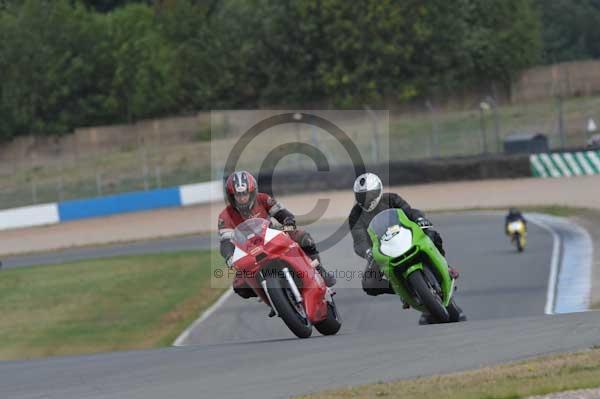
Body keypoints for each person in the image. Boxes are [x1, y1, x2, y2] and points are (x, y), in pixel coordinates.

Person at [348, 172, 460, 324]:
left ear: (378, 190)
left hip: (406, 237)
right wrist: (368, 252)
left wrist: (420, 220)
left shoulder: (392, 199)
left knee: (433, 234)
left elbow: (409, 212)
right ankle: (402, 288)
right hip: (381, 251)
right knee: (369, 284)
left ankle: (445, 266)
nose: (366, 200)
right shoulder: (355, 215)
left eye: (369, 195)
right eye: (362, 196)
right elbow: (359, 240)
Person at [218, 171, 336, 303]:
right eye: (237, 195)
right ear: (231, 196)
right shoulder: (225, 216)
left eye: (244, 193)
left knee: (303, 238)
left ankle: (319, 270)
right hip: (249, 251)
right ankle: (271, 296)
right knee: (239, 286)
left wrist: (288, 221)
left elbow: (282, 213)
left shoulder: (263, 199)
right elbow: (225, 241)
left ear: (252, 192)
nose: (242, 198)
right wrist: (229, 256)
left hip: (273, 236)